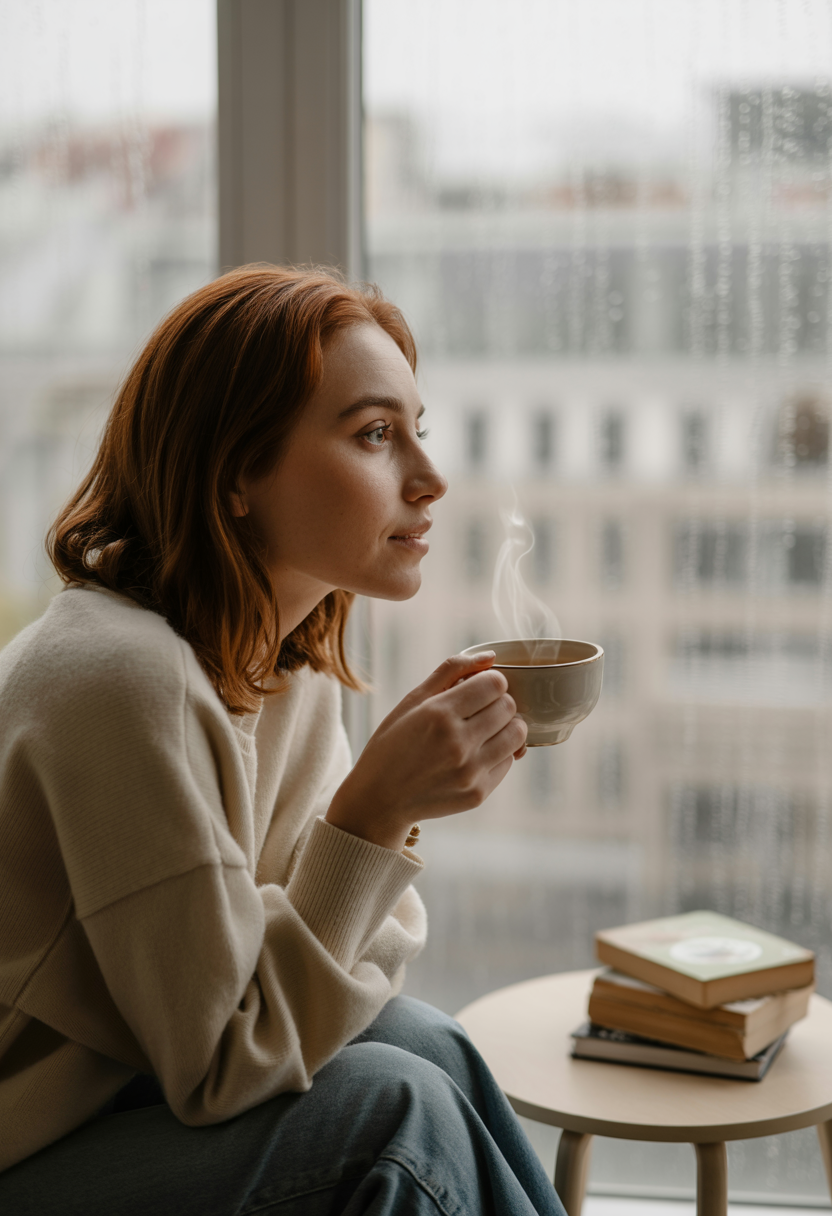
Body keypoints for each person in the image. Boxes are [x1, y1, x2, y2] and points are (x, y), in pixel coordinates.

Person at [0, 265, 567, 1215]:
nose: (430, 480)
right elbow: (229, 1057)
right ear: (234, 474)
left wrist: (366, 834)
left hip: (114, 1093)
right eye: (375, 435)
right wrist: (377, 812)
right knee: (394, 1108)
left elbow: (356, 967)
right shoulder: (119, 679)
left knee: (427, 1044)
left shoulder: (281, 671)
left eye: (416, 432)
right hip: (25, 1142)